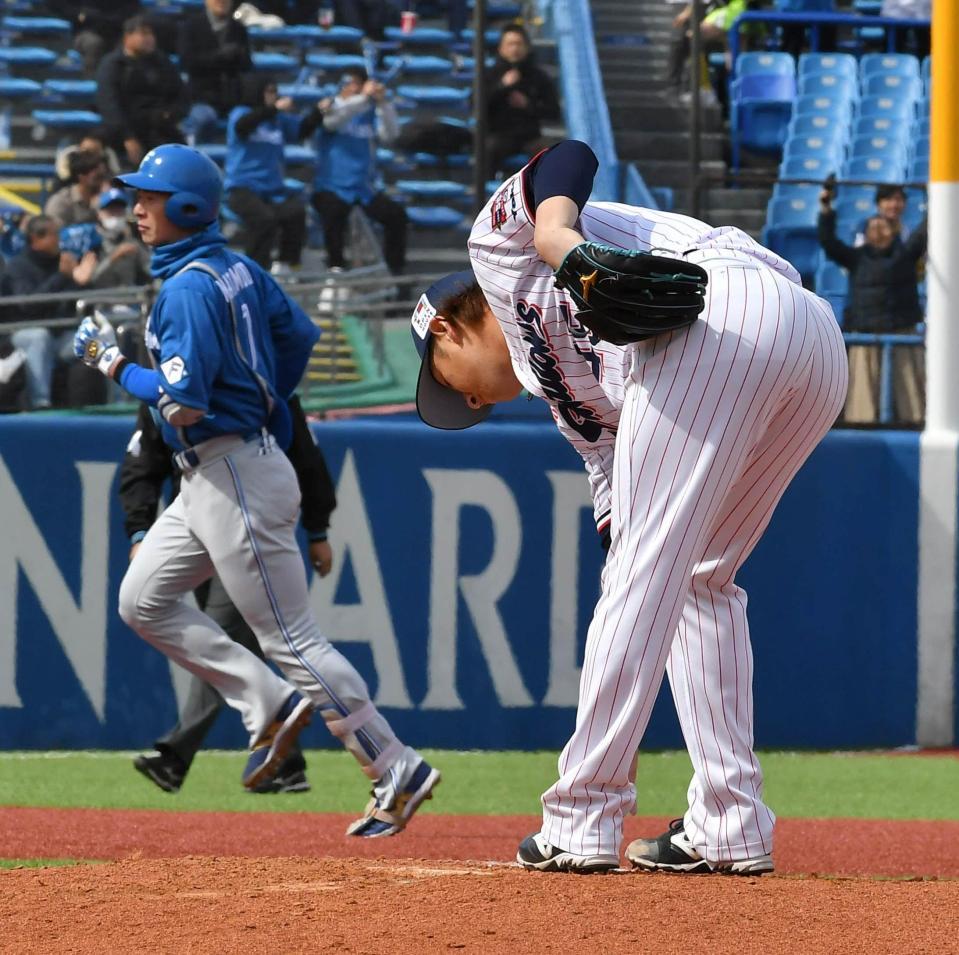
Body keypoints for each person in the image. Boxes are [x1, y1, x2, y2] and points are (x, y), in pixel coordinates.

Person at [409, 139, 848, 873]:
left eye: (445, 379)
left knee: (648, 578)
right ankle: (730, 822)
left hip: (730, 304)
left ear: (448, 327)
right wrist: (632, 549)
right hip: (804, 343)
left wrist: (558, 238)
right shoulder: (572, 405)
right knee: (695, 581)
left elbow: (565, 156)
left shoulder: (496, 253)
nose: (463, 398)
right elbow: (620, 513)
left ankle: (581, 814)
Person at [73, 144, 439, 833]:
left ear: (187, 207)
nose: (136, 208)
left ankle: (394, 764)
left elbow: (180, 403)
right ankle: (266, 703)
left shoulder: (185, 286)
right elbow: (298, 335)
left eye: (148, 198)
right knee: (142, 599)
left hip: (234, 468)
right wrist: (266, 390)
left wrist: (112, 361)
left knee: (294, 639)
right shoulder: (235, 267)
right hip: (211, 474)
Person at [123, 395, 335, 794]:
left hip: (248, 527)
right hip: (191, 529)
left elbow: (304, 453)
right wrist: (139, 529)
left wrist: (319, 529)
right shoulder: (163, 384)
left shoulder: (260, 377)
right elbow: (142, 463)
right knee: (234, 648)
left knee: (222, 636)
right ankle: (288, 766)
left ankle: (176, 755)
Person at [819, 184, 927, 424]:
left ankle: (910, 422)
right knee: (863, 388)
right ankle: (862, 422)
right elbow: (828, 241)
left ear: (893, 233)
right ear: (865, 235)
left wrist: (936, 197)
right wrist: (826, 209)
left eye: (883, 226)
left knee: (907, 385)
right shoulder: (855, 258)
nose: (878, 228)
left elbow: (924, 231)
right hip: (865, 330)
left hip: (901, 328)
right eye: (873, 226)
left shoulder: (906, 254)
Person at [311, 67, 408, 276]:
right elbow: (332, 122)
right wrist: (363, 98)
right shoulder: (331, 108)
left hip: (363, 189)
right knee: (333, 214)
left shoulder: (369, 111)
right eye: (350, 83)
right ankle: (335, 267)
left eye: (358, 83)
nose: (354, 88)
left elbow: (390, 134)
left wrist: (383, 103)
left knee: (396, 216)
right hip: (332, 186)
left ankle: (395, 271)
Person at [224, 76, 325, 272]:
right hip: (242, 189)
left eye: (275, 92)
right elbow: (243, 126)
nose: (274, 96)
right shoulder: (240, 113)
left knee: (296, 212)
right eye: (269, 91)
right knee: (264, 220)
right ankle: (255, 270)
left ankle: (288, 264)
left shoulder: (277, 120)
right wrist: (274, 109)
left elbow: (301, 131)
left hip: (271, 190)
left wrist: (318, 113)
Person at [0, 215, 97, 409]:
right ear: (36, 238)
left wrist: (81, 283)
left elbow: (76, 305)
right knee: (39, 336)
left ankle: (117, 400)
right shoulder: (18, 267)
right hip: (19, 337)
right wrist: (61, 276)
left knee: (94, 341)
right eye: (54, 235)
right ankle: (41, 403)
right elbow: (28, 306)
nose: (59, 240)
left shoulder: (61, 263)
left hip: (58, 337)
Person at [95, 15, 188, 169]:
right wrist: (127, 137)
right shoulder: (113, 65)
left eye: (151, 34)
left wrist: (171, 113)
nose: (149, 39)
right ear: (127, 37)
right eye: (143, 33)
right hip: (125, 132)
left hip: (161, 129)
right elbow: (109, 105)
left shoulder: (162, 63)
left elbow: (181, 96)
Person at [482, 24, 561, 175]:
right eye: (510, 44)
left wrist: (528, 105)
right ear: (501, 48)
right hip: (500, 135)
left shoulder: (539, 76)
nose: (515, 49)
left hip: (530, 136)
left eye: (519, 44)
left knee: (551, 155)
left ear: (527, 47)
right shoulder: (490, 75)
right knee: (487, 149)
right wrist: (502, 87)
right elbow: (478, 105)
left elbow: (553, 111)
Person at [178, 0, 255, 145]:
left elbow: (247, 65)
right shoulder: (192, 26)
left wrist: (239, 55)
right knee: (202, 118)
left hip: (232, 98)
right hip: (201, 97)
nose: (222, 2)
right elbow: (187, 62)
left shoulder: (238, 28)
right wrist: (219, 56)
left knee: (246, 118)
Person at [90, 188, 152, 288]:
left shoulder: (131, 241)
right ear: (99, 214)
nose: (115, 215)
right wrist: (114, 256)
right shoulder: (93, 241)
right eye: (111, 211)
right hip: (101, 299)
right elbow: (92, 279)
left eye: (119, 210)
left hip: (130, 298)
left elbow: (150, 268)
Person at [43, 150, 107, 227]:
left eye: (104, 176)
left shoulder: (109, 198)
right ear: (81, 176)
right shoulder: (61, 203)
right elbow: (53, 235)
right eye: (98, 177)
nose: (103, 182)